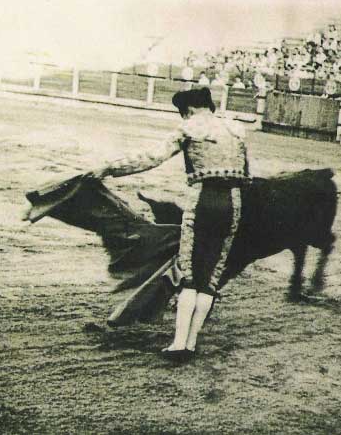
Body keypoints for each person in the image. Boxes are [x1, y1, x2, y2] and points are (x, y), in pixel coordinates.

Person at [92, 88, 250, 361]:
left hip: (203, 202)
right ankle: (190, 343)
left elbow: (151, 158)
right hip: (233, 204)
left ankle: (178, 344)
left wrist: (109, 168)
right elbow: (247, 175)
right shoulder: (236, 130)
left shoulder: (188, 127)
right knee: (211, 277)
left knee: (189, 274)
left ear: (187, 110)